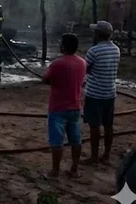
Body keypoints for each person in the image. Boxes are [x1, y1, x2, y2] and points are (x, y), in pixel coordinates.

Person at [41, 33, 86, 179]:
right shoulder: (82, 63)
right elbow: (82, 81)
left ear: (64, 47)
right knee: (76, 140)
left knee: (57, 141)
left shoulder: (57, 64)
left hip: (58, 108)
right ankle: (75, 170)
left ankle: (55, 172)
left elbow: (46, 79)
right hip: (75, 107)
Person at [83, 20, 121, 166]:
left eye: (95, 32)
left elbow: (85, 69)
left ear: (98, 34)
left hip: (95, 94)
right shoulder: (116, 49)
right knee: (108, 125)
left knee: (94, 125)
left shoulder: (93, 51)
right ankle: (106, 156)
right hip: (110, 93)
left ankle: (94, 157)